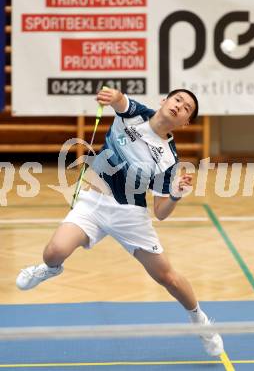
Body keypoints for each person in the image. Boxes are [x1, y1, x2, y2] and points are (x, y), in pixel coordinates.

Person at [16, 88, 224, 356]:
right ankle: (50, 268)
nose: (179, 106)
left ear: (185, 122)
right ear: (164, 101)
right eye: (177, 99)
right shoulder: (135, 114)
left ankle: (200, 321)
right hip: (93, 203)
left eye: (186, 108)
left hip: (130, 215)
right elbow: (119, 100)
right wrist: (112, 95)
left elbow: (160, 212)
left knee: (168, 278)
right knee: (52, 253)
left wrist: (175, 195)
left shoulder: (169, 159)